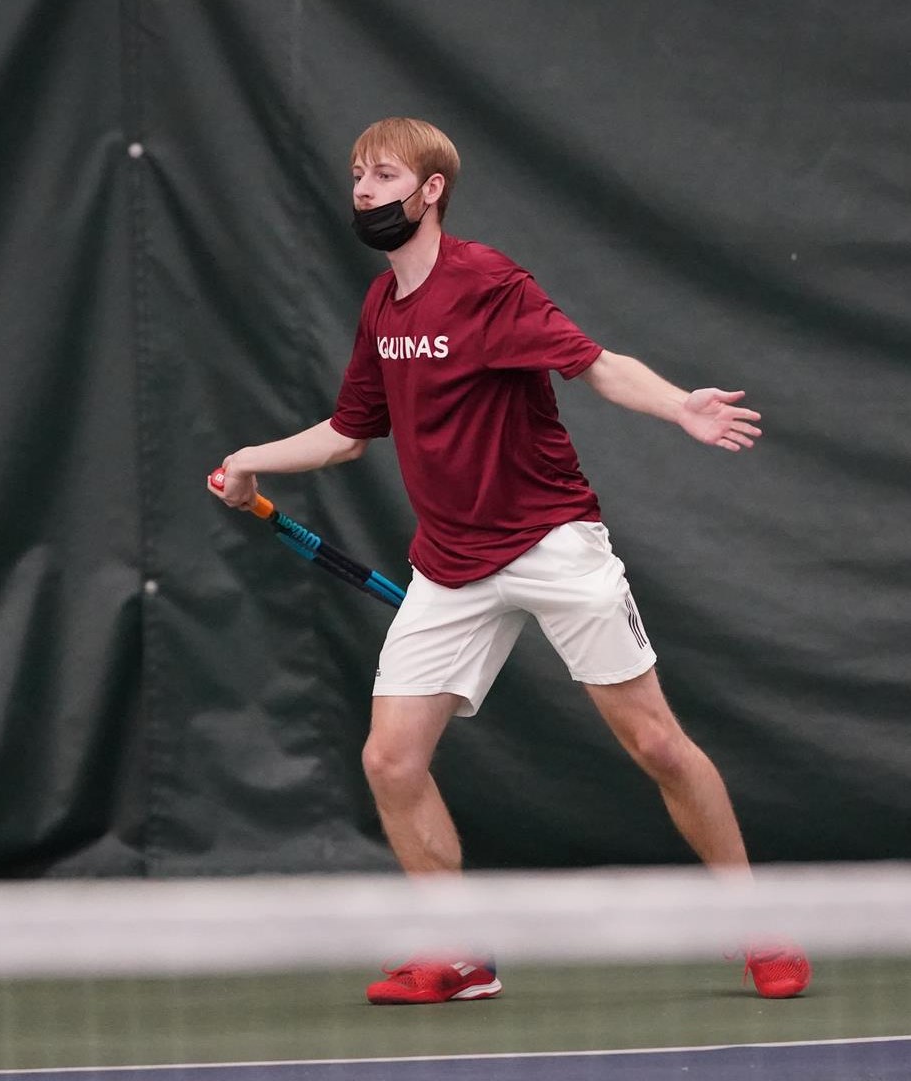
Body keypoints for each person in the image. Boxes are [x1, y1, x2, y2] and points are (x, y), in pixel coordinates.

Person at [211, 117, 810, 1004]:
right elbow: (346, 435)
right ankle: (456, 954)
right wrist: (251, 459)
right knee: (389, 760)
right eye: (358, 178)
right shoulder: (381, 308)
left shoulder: (485, 283)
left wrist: (680, 404)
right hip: (448, 563)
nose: (365, 191)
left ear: (430, 191)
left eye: (383, 176)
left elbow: (595, 365)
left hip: (550, 539)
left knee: (654, 740)